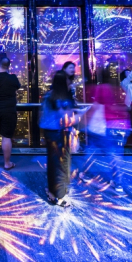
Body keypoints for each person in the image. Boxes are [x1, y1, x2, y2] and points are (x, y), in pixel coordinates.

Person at [40, 70, 89, 207]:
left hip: (49, 132)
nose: (70, 81)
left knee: (53, 163)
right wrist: (81, 115)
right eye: (67, 79)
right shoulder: (59, 98)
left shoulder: (49, 95)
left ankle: (51, 192)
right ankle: (59, 197)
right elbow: (66, 118)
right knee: (61, 165)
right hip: (59, 134)